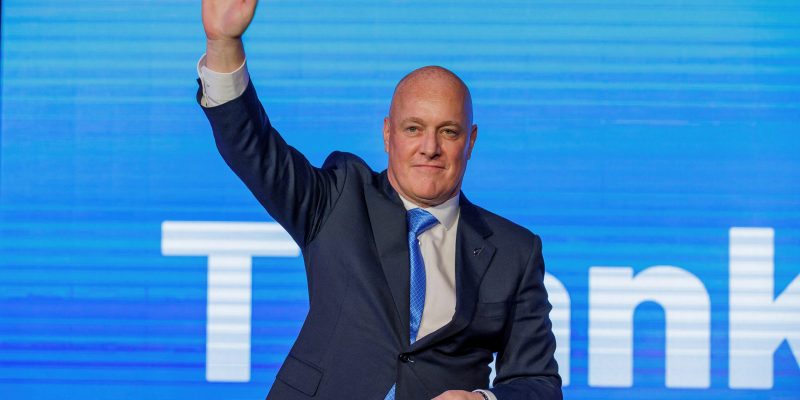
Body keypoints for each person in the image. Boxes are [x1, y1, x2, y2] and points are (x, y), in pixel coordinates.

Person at [198, 1, 561, 399]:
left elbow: (538, 383)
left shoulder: (515, 252)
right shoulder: (339, 199)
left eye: (449, 132)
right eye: (413, 128)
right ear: (388, 135)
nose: (429, 147)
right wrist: (223, 43)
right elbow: (253, 149)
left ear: (470, 141)